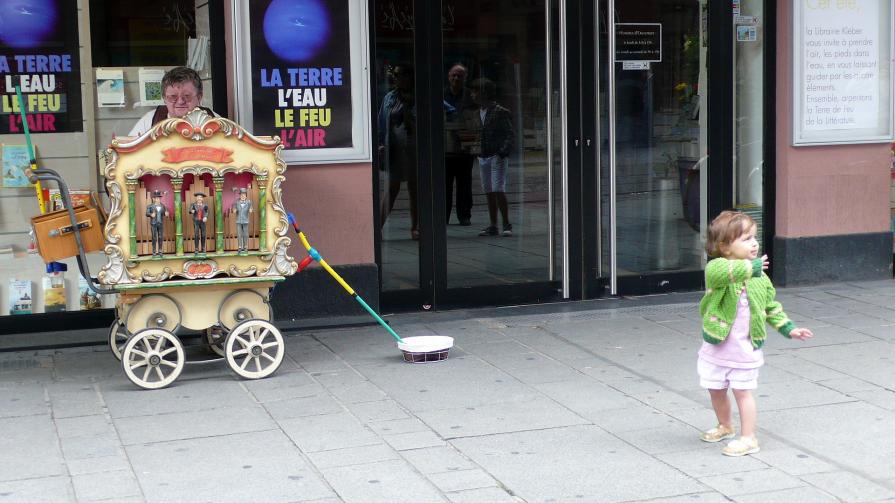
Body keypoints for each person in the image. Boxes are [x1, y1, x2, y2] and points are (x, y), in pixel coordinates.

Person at [698, 210, 813, 456]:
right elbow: (724, 273)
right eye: (746, 238)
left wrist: (789, 329)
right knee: (715, 389)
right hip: (716, 347)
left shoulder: (760, 278)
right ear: (725, 247)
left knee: (742, 392)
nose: (754, 243)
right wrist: (751, 267)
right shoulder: (717, 268)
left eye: (754, 237)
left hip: (744, 350)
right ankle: (725, 425)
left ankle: (748, 437)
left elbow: (771, 307)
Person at [377, 62, 419, 240]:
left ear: (409, 77)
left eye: (399, 75)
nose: (395, 78)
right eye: (395, 75)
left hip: (413, 146)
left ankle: (416, 227)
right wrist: (380, 142)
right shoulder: (390, 97)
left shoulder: (418, 96)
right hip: (394, 146)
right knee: (392, 187)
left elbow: (448, 111)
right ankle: (377, 227)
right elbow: (381, 121)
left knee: (414, 188)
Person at [470, 78, 514, 237]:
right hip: (483, 155)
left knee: (498, 188)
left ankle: (506, 223)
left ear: (484, 93)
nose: (472, 95)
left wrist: (502, 152)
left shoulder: (500, 111)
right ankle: (493, 224)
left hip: (496, 155)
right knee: (489, 190)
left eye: (475, 91)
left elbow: (510, 134)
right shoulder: (477, 113)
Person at [128, 66, 214, 137]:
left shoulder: (214, 120)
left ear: (199, 97)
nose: (180, 101)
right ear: (164, 98)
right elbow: (129, 153)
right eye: (173, 96)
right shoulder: (149, 121)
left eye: (187, 96)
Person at [443, 63, 476, 226]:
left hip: (465, 146)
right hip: (445, 147)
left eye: (459, 76)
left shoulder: (470, 96)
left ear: (465, 78)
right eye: (453, 75)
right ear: (448, 77)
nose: (456, 78)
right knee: (444, 185)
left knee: (465, 184)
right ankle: (443, 215)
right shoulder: (441, 94)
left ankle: (464, 215)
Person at [231, 188, 253, 253]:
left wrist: (250, 210)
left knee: (245, 234)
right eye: (241, 195)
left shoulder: (249, 202)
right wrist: (234, 210)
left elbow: (251, 208)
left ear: (246, 196)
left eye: (244, 195)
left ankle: (245, 246)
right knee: (239, 234)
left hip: (245, 220)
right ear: (240, 195)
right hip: (238, 221)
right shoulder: (236, 202)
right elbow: (234, 209)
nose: (243, 196)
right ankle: (240, 247)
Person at [145, 190, 166, 257]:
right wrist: (151, 214)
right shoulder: (150, 206)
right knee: (154, 237)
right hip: (154, 223)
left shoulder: (163, 206)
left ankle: (160, 251)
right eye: (156, 198)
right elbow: (147, 213)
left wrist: (166, 214)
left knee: (160, 237)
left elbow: (164, 213)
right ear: (153, 199)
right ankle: (154, 251)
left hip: (160, 223)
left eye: (159, 198)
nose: (158, 199)